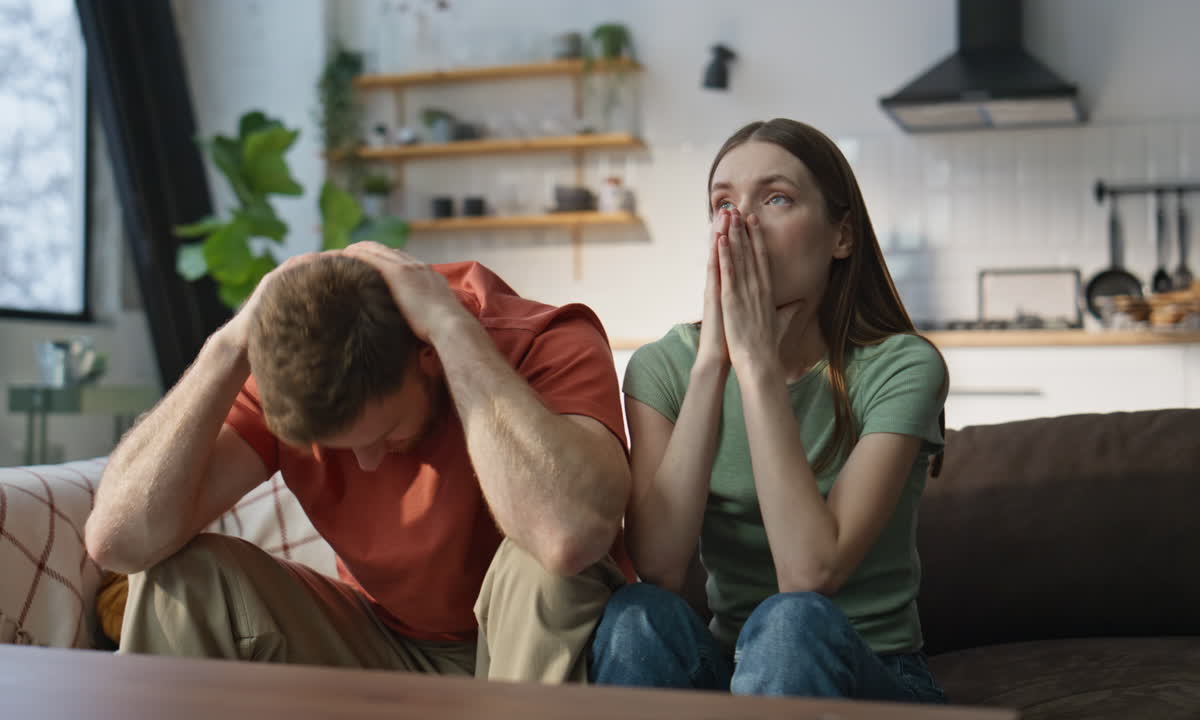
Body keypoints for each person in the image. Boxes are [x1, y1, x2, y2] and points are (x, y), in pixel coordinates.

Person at [85, 242, 633, 683]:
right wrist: (229, 345)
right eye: (339, 447)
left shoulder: (543, 340)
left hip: (527, 642)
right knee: (183, 574)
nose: (366, 464)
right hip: (383, 644)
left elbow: (568, 536)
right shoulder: (305, 373)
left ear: (427, 356)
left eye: (386, 432)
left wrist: (452, 332)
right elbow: (119, 542)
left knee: (542, 562)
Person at [588, 118, 950, 702]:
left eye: (776, 198)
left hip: (869, 673)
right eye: (723, 203)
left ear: (842, 237)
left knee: (791, 623)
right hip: (735, 674)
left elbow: (809, 577)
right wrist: (713, 363)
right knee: (637, 613)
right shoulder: (665, 367)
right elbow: (658, 565)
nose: (741, 224)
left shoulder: (902, 367)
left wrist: (756, 368)